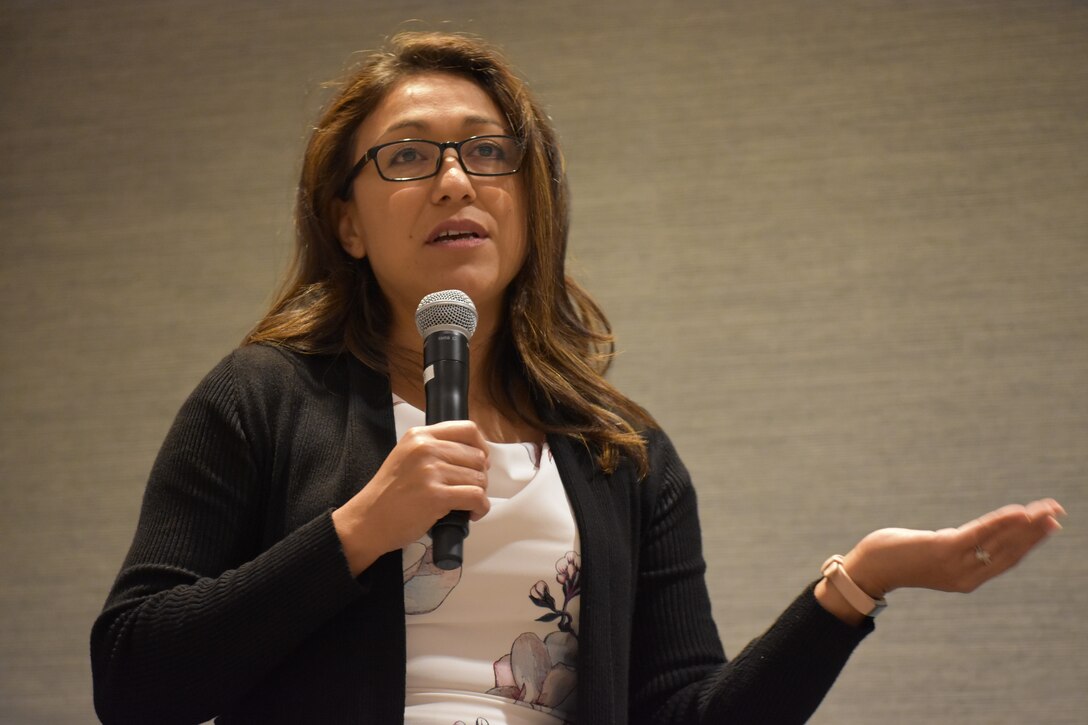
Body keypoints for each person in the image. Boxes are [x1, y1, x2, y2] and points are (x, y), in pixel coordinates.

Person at [90, 31, 1065, 725]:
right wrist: (358, 529)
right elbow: (135, 677)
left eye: (486, 150)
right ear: (345, 221)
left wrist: (853, 585)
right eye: (405, 156)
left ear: (529, 196)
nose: (455, 179)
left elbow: (682, 710)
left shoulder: (617, 452)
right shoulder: (260, 399)